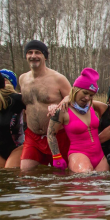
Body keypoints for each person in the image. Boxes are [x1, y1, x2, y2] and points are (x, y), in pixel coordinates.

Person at [17, 40, 72, 170]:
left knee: (63, 175)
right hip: (33, 136)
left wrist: (65, 100)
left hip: (58, 136)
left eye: (38, 52)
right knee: (26, 173)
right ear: (26, 56)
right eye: (29, 52)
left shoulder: (58, 79)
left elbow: (74, 98)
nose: (33, 56)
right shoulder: (22, 79)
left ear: (45, 57)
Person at [47, 68, 109, 173]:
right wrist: (56, 156)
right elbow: (50, 134)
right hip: (78, 155)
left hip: (99, 156)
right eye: (84, 93)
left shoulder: (92, 105)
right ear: (75, 89)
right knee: (86, 178)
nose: (87, 98)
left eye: (91, 95)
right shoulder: (62, 110)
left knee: (103, 183)